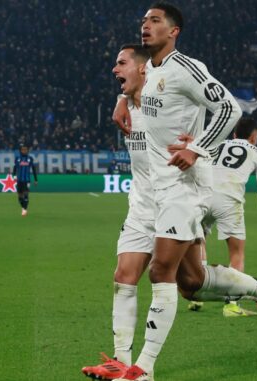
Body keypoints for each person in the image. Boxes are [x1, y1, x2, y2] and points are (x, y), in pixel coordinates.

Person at [112, 3, 257, 380]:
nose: (146, 25)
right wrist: (121, 99)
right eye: (144, 20)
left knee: (160, 271)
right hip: (153, 195)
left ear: (174, 31)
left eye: (155, 20)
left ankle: (141, 369)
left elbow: (230, 108)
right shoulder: (148, 71)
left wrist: (199, 149)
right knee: (191, 284)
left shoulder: (186, 69)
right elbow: (131, 73)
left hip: (185, 188)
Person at [81, 44, 155, 381]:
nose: (114, 70)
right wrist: (122, 99)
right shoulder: (127, 105)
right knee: (123, 277)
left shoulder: (168, 100)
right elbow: (126, 90)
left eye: (121, 63)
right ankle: (123, 364)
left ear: (142, 68)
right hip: (140, 208)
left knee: (192, 285)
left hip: (176, 207)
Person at [197, 118, 257, 317]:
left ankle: (198, 296)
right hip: (229, 201)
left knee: (200, 240)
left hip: (203, 196)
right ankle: (231, 305)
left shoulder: (218, 144)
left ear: (234, 135)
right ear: (254, 137)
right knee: (236, 253)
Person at [11, 144, 37, 216]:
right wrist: (14, 176)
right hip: (19, 180)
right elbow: (15, 167)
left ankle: (24, 210)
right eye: (23, 149)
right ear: (20, 150)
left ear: (27, 150)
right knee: (20, 196)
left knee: (26, 194)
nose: (24, 151)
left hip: (27, 180)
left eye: (25, 149)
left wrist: (35, 179)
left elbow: (34, 169)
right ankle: (23, 207)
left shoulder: (30, 159)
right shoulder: (17, 158)